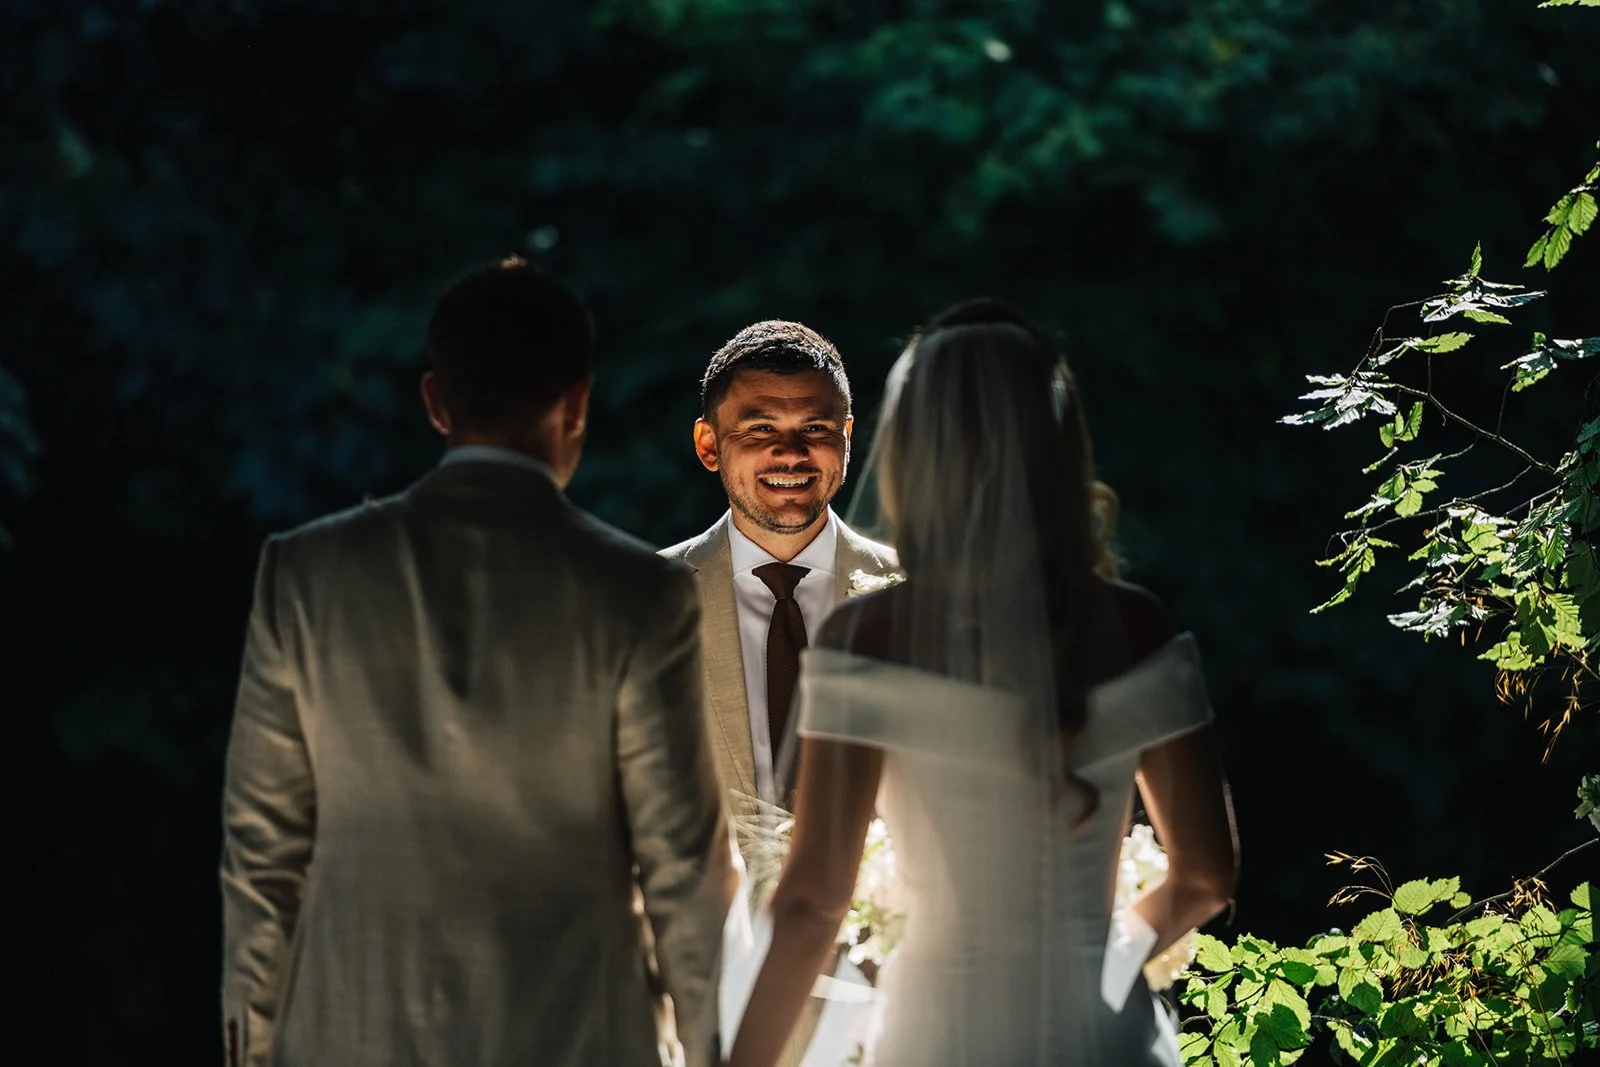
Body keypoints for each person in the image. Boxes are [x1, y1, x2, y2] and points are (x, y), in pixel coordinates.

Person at [219, 256, 735, 1067]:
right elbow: (685, 873)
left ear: (435, 401)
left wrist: (251, 1049)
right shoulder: (639, 592)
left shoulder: (306, 575)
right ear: (578, 405)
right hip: (572, 1036)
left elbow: (261, 857)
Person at [726, 299, 1240, 1066]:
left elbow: (810, 904)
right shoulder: (1136, 628)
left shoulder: (870, 638)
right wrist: (1100, 956)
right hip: (1102, 1033)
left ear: (911, 455)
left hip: (938, 1032)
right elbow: (1206, 873)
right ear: (1059, 451)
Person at [660, 320, 897, 1065]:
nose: (790, 453)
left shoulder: (922, 600)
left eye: (815, 428)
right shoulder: (640, 607)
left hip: (892, 998)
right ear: (709, 445)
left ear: (849, 438)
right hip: (698, 999)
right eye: (760, 427)